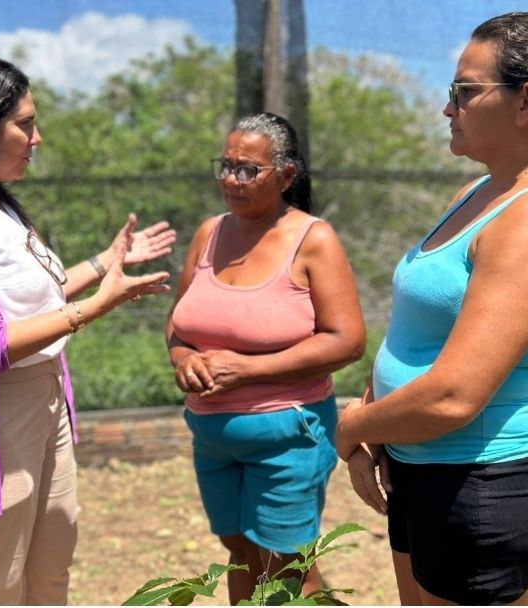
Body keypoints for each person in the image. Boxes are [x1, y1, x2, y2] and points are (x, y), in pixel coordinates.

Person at [335, 11, 528, 606]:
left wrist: (350, 429)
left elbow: (455, 396)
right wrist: (381, 427)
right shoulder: (481, 192)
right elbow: (417, 332)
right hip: (421, 466)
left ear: (526, 102)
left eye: (463, 92)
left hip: (477, 484)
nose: (447, 108)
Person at [0, 55, 175, 605]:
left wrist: (106, 262)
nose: (37, 139)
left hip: (44, 401)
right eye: (24, 124)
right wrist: (96, 307)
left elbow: (29, 299)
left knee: (49, 571)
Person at [167, 112, 366, 602]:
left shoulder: (312, 239)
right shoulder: (209, 232)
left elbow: (346, 340)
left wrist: (248, 370)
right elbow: (179, 320)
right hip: (212, 438)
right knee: (238, 551)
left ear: (287, 175)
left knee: (287, 566)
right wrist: (180, 357)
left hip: (287, 437)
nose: (232, 180)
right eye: (226, 165)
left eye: (248, 170)